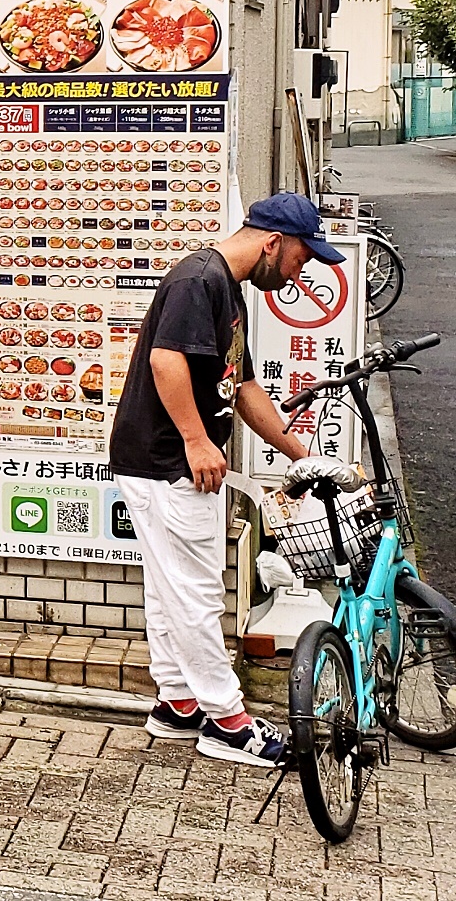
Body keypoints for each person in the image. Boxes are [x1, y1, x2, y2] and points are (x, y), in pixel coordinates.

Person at [108, 193, 333, 767]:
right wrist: (194, 438)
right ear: (272, 242)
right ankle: (227, 721)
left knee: (169, 586)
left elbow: (244, 386)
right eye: (300, 261)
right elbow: (165, 361)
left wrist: (296, 450)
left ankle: (179, 702)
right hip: (168, 462)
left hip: (162, 461)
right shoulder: (199, 280)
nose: (298, 274)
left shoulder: (225, 288)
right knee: (195, 591)